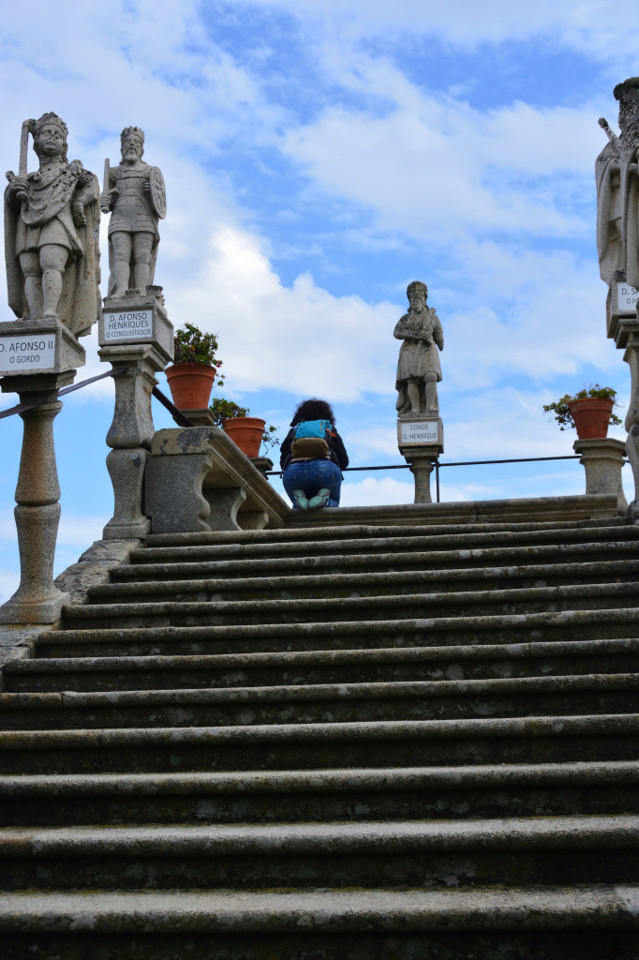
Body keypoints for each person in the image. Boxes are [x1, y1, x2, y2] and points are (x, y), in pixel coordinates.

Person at [4, 112, 101, 337]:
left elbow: (92, 186)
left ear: (64, 144)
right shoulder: (29, 178)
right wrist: (13, 191)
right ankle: (35, 316)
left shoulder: (71, 172)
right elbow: (11, 201)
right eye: (46, 133)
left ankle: (50, 313)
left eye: (57, 135)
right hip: (28, 224)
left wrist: (79, 201)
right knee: (30, 270)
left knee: (51, 263)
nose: (52, 138)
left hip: (59, 221)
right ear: (36, 143)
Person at [100, 126, 166, 298]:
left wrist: (151, 192)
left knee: (142, 256)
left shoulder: (149, 172)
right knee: (121, 255)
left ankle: (142, 290)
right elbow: (106, 202)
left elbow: (159, 203)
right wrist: (106, 200)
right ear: (122, 148)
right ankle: (121, 289)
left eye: (135, 142)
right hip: (120, 218)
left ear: (141, 149)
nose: (131, 145)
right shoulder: (114, 173)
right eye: (128, 142)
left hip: (143, 218)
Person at [596, 77, 639, 290]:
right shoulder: (615, 144)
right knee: (628, 239)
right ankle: (628, 268)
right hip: (622, 201)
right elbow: (602, 165)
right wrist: (618, 167)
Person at [280, 398, 349, 510]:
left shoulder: (294, 429)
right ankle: (325, 501)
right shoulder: (329, 429)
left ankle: (299, 499)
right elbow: (344, 460)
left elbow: (283, 455)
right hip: (325, 471)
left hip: (293, 473)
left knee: (299, 509)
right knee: (334, 502)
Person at [394, 280, 444, 417]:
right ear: (409, 299)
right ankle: (415, 409)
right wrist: (416, 335)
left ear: (425, 298)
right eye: (413, 296)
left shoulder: (432, 318)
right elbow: (397, 332)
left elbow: (440, 342)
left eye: (419, 295)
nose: (416, 298)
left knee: (431, 376)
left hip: (427, 350)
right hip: (409, 351)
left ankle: (430, 407)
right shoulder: (405, 319)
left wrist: (432, 336)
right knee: (411, 379)